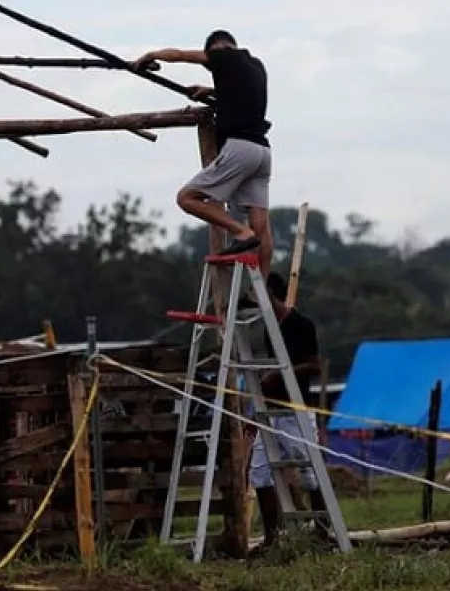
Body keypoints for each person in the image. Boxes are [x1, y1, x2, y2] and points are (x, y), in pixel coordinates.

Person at [132, 30, 272, 272]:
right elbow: (240, 92)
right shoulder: (255, 66)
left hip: (239, 148)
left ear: (216, 48)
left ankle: (240, 232)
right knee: (262, 227)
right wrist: (212, 90)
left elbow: (180, 55)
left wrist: (150, 55)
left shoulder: (221, 55)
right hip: (262, 151)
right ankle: (264, 289)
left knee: (186, 198)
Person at [247, 271, 328, 547]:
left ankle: (322, 529)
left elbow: (315, 365)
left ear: (270, 292)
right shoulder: (270, 327)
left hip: (296, 410)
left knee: (309, 471)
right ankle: (271, 536)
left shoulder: (301, 324)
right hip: (272, 410)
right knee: (258, 471)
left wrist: (282, 373)